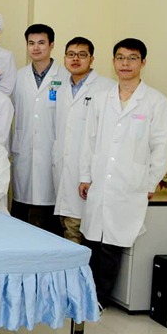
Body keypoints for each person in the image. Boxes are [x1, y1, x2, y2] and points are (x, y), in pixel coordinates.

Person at [79, 38, 167, 309]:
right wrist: (85, 175)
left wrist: (151, 183)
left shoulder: (156, 102)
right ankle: (84, 294)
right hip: (99, 180)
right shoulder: (101, 99)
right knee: (92, 239)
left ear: (143, 62)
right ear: (113, 62)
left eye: (132, 58)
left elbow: (160, 147)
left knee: (113, 245)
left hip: (131, 184)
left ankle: (99, 299)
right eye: (120, 57)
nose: (125, 64)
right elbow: (89, 141)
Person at [53, 37, 114, 244]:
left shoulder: (106, 88)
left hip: (89, 172)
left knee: (83, 231)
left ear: (92, 59)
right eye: (71, 54)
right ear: (64, 58)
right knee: (67, 226)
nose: (75, 59)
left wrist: (89, 173)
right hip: (64, 167)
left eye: (82, 55)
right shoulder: (61, 88)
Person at [11, 24, 63, 234]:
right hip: (24, 149)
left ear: (52, 45)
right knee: (21, 215)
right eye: (31, 43)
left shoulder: (64, 77)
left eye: (41, 43)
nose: (36, 48)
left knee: (50, 216)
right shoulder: (19, 76)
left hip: (52, 150)